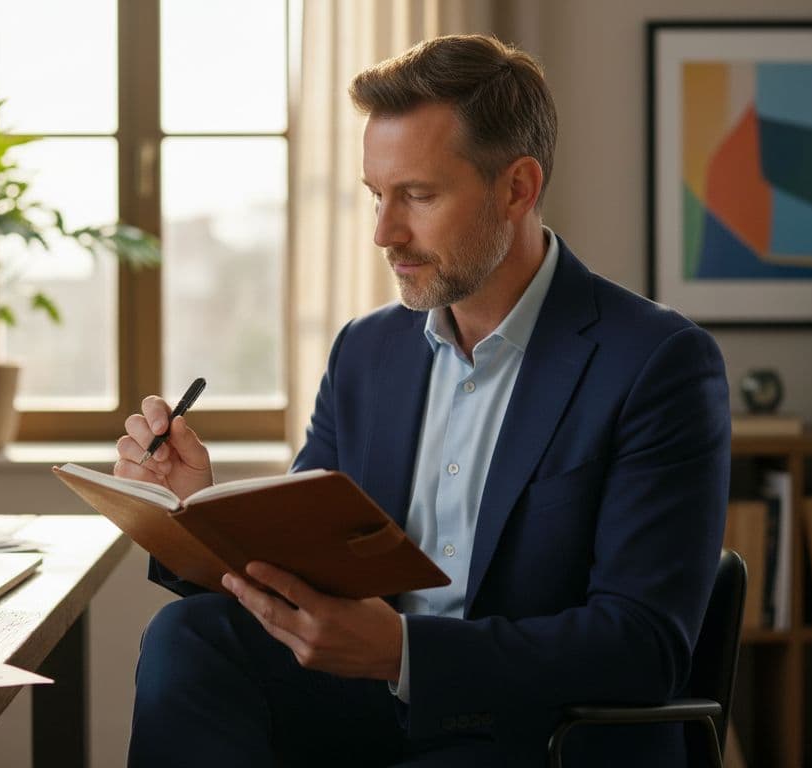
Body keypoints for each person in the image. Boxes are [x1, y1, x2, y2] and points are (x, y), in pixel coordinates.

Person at [116, 34, 730, 766]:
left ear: (518, 188)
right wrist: (197, 516)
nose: (384, 233)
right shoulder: (365, 353)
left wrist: (404, 654)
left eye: (418, 195)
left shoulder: (657, 363)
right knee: (189, 638)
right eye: (378, 195)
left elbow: (642, 646)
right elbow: (308, 565)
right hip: (370, 712)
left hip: (536, 735)